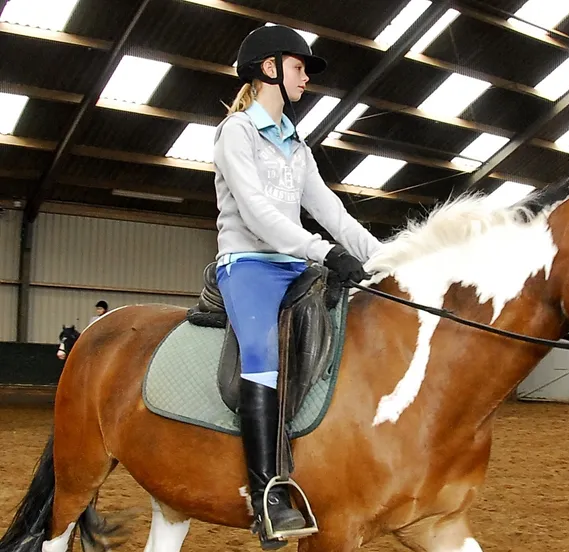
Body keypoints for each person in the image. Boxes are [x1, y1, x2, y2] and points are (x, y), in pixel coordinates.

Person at [212, 24, 382, 548]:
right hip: (248, 264)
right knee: (262, 352)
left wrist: (384, 258)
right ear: (269, 69)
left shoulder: (296, 145)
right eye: (299, 67)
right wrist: (324, 251)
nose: (306, 78)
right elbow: (257, 214)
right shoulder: (237, 132)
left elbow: (332, 211)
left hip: (295, 265)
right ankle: (267, 494)